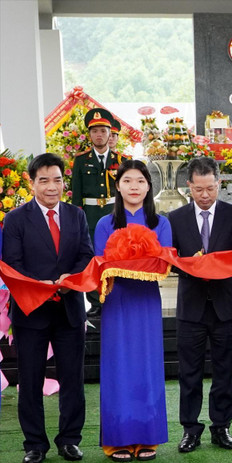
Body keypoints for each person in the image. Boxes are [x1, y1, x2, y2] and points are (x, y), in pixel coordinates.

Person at [3, 153, 94, 463]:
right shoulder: (16, 219)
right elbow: (12, 265)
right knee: (30, 381)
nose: (51, 186)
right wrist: (40, 284)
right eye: (44, 180)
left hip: (69, 309)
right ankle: (35, 445)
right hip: (31, 311)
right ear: (32, 183)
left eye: (57, 179)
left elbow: (86, 254)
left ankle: (69, 441)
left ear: (63, 182)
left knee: (72, 379)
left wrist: (71, 279)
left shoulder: (76, 215)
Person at [93, 160, 172, 462]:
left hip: (146, 301)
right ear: (118, 186)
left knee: (147, 366)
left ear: (149, 186)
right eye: (128, 181)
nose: (134, 187)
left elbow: (162, 263)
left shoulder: (160, 223)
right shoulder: (104, 223)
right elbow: (102, 264)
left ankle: (147, 436)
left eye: (140, 181)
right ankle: (118, 440)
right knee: (118, 367)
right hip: (116, 300)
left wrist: (137, 261)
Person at [169, 157, 232, 453]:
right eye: (198, 189)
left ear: (219, 184)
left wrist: (216, 264)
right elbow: (172, 260)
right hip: (192, 305)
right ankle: (190, 429)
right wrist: (193, 265)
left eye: (210, 189)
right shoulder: (175, 218)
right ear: (189, 186)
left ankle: (221, 427)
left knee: (224, 370)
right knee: (189, 371)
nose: (204, 195)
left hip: (226, 304)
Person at [71, 107, 124, 320]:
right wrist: (77, 219)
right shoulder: (81, 160)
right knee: (93, 258)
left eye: (103, 130)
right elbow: (77, 194)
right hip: (90, 215)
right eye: (95, 131)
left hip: (114, 213)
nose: (99, 135)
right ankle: (94, 302)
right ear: (89, 134)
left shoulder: (121, 159)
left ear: (110, 133)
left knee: (116, 256)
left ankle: (116, 298)